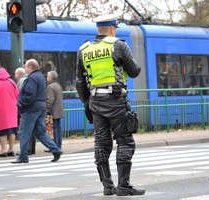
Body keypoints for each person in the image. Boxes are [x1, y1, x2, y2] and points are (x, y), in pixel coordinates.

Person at [76, 13, 145, 196]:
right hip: (116, 101)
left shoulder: (83, 50)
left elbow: (80, 82)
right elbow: (135, 71)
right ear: (113, 28)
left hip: (95, 102)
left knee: (101, 143)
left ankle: (107, 186)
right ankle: (123, 185)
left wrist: (87, 103)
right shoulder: (118, 45)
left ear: (98, 29)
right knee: (125, 141)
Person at [11, 59, 63, 164]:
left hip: (31, 109)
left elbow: (30, 94)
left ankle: (23, 156)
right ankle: (56, 150)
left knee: (24, 133)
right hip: (40, 108)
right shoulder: (40, 77)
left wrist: (21, 102)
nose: (25, 69)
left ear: (31, 67)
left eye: (26, 67)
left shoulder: (32, 78)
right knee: (41, 133)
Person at [0, 68, 19, 157]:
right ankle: (11, 149)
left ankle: (3, 150)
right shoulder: (12, 82)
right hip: (12, 110)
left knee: (2, 131)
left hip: (0, 110)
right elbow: (18, 95)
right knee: (12, 130)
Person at [14, 67, 36, 155]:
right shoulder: (30, 79)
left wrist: (20, 105)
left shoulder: (21, 81)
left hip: (26, 109)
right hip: (34, 108)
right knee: (34, 130)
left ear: (19, 74)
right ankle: (31, 149)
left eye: (15, 74)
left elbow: (19, 95)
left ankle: (25, 150)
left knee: (24, 130)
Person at [45, 71, 64, 150]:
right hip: (59, 110)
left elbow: (49, 101)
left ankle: (54, 147)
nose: (46, 78)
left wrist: (46, 110)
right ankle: (58, 145)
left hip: (52, 112)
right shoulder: (58, 85)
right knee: (58, 129)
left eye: (47, 76)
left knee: (52, 129)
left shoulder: (50, 87)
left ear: (51, 78)